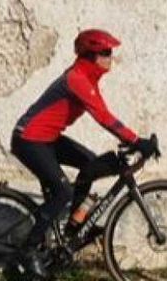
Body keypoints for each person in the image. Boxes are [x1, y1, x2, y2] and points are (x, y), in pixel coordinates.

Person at [9, 28, 155, 276]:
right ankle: (28, 251)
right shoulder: (77, 79)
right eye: (106, 52)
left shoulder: (89, 80)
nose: (111, 57)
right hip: (29, 140)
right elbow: (105, 118)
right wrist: (136, 140)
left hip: (47, 139)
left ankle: (72, 231)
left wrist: (132, 141)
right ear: (91, 55)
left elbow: (105, 114)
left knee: (92, 165)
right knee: (63, 191)